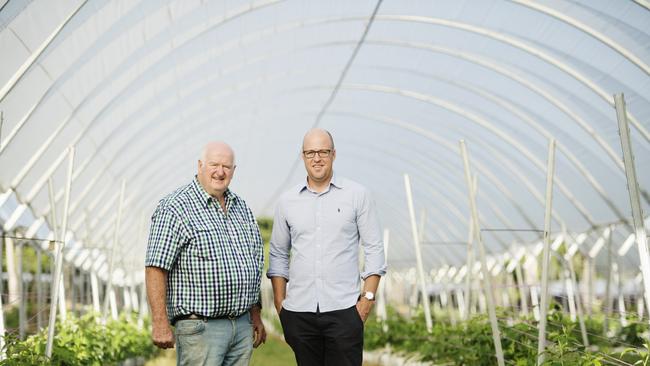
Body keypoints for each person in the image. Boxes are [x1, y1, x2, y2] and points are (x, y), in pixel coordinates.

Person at [267, 128, 387, 366]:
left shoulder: (357, 195)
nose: (317, 158)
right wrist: (281, 305)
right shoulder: (287, 202)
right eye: (310, 152)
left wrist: (367, 300)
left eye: (323, 151)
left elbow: (374, 248)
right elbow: (279, 253)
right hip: (299, 313)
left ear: (333, 154)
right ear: (302, 156)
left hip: (344, 310)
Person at [145, 141, 266, 366]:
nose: (220, 172)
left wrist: (255, 314)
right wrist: (159, 322)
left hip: (240, 327)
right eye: (214, 164)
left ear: (234, 170)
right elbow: (156, 267)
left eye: (226, 167)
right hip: (201, 329)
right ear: (200, 165)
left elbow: (253, 264)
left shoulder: (241, 208)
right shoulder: (175, 207)